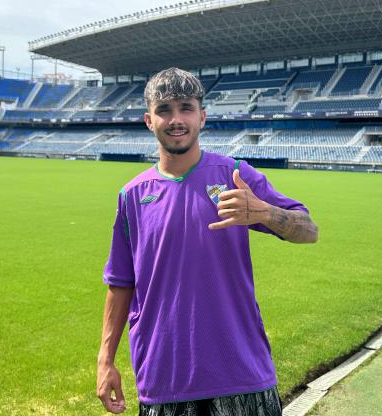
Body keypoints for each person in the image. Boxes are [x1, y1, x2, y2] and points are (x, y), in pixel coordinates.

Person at [97, 67, 318, 415]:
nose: (176, 119)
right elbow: (121, 283)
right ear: (148, 120)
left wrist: (263, 212)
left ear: (202, 116)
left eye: (185, 107)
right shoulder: (132, 196)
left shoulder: (234, 176)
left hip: (241, 376)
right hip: (163, 379)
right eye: (164, 110)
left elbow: (309, 230)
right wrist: (105, 359)